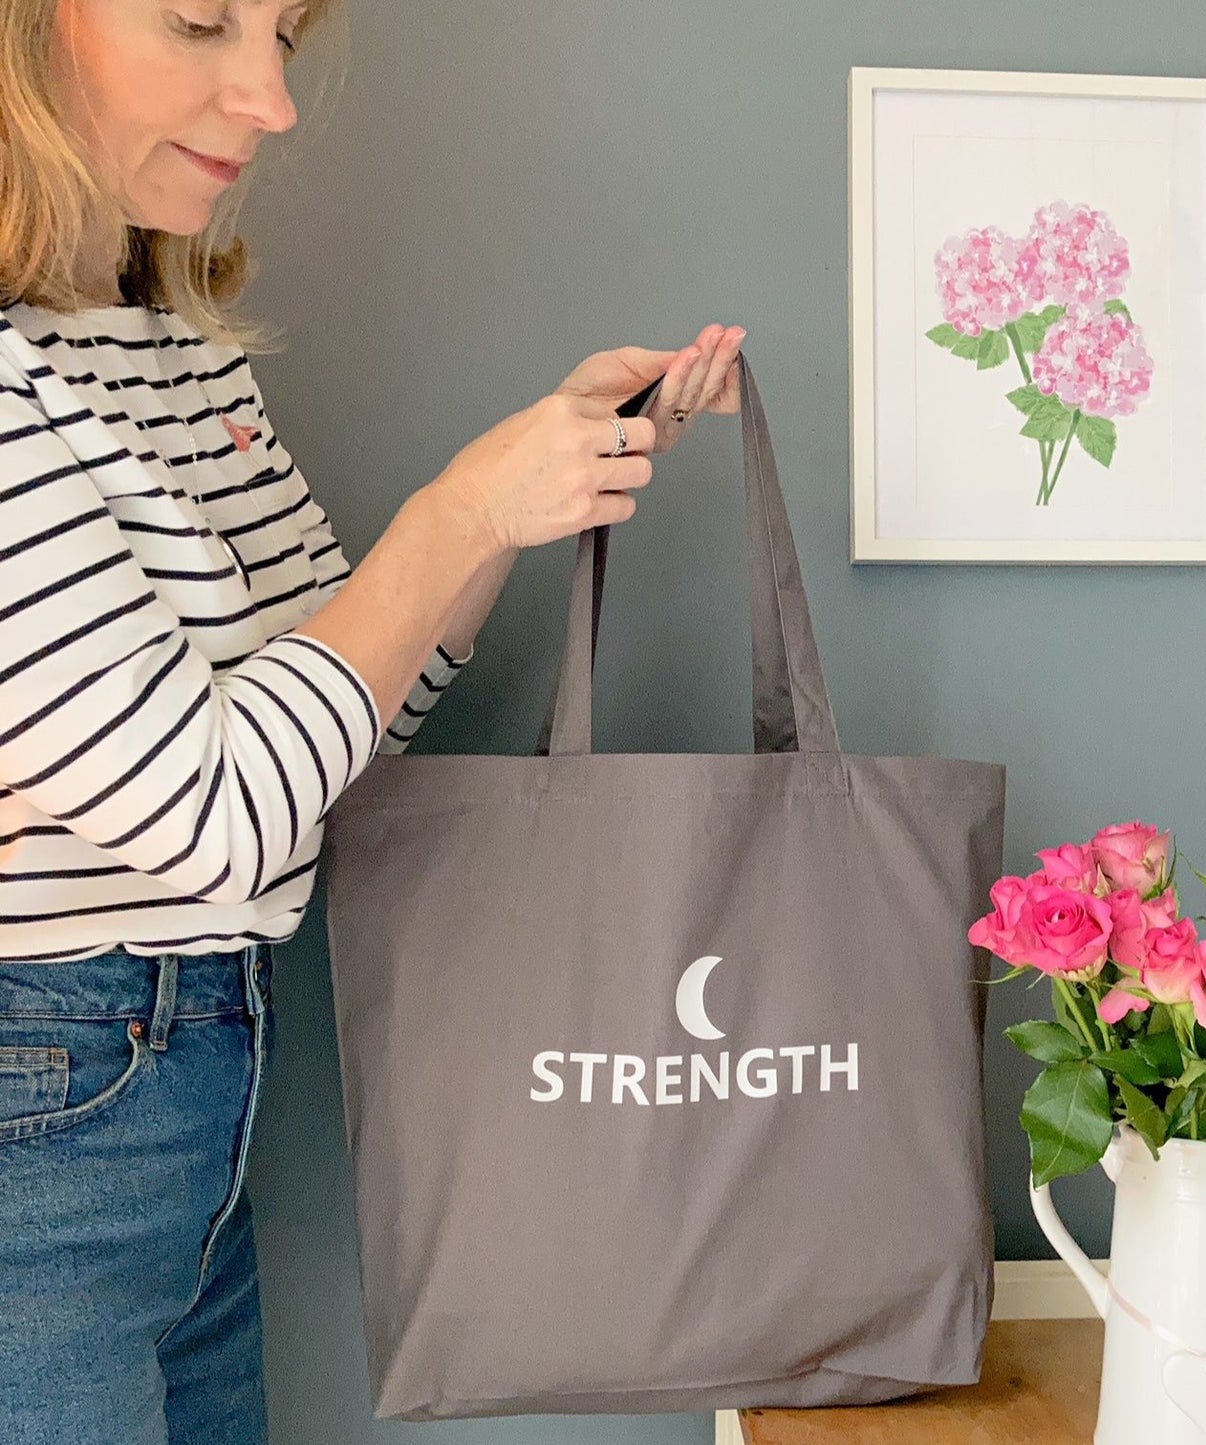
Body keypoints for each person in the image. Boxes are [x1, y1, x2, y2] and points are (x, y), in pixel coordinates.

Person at [0, 2, 745, 1439]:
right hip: (48, 1110)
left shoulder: (165, 350)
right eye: (202, 20)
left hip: (182, 1104)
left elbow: (330, 741)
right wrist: (458, 512)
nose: (272, 99)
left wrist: (517, 502)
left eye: (283, 31)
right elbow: (215, 817)